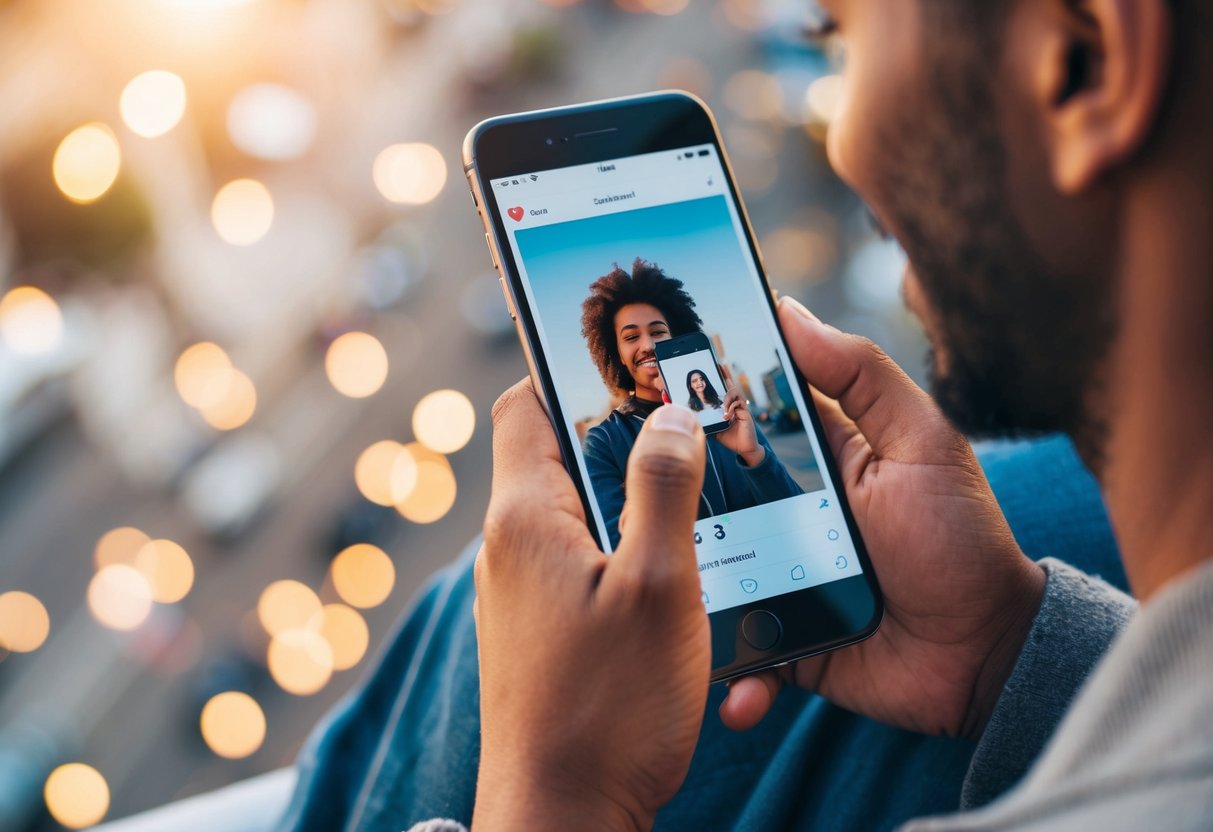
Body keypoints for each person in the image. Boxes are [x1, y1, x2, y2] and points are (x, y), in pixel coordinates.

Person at [463, 0, 1213, 830]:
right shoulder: (612, 440)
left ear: (1083, 60)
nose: (842, 142)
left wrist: (551, 793)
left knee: (449, 633)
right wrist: (1009, 651)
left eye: (839, 35)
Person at [580, 258, 802, 548]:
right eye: (631, 336)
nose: (647, 345)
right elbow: (616, 551)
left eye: (658, 332)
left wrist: (754, 456)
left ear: (675, 336)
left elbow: (799, 518)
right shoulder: (604, 442)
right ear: (617, 353)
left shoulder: (727, 415)